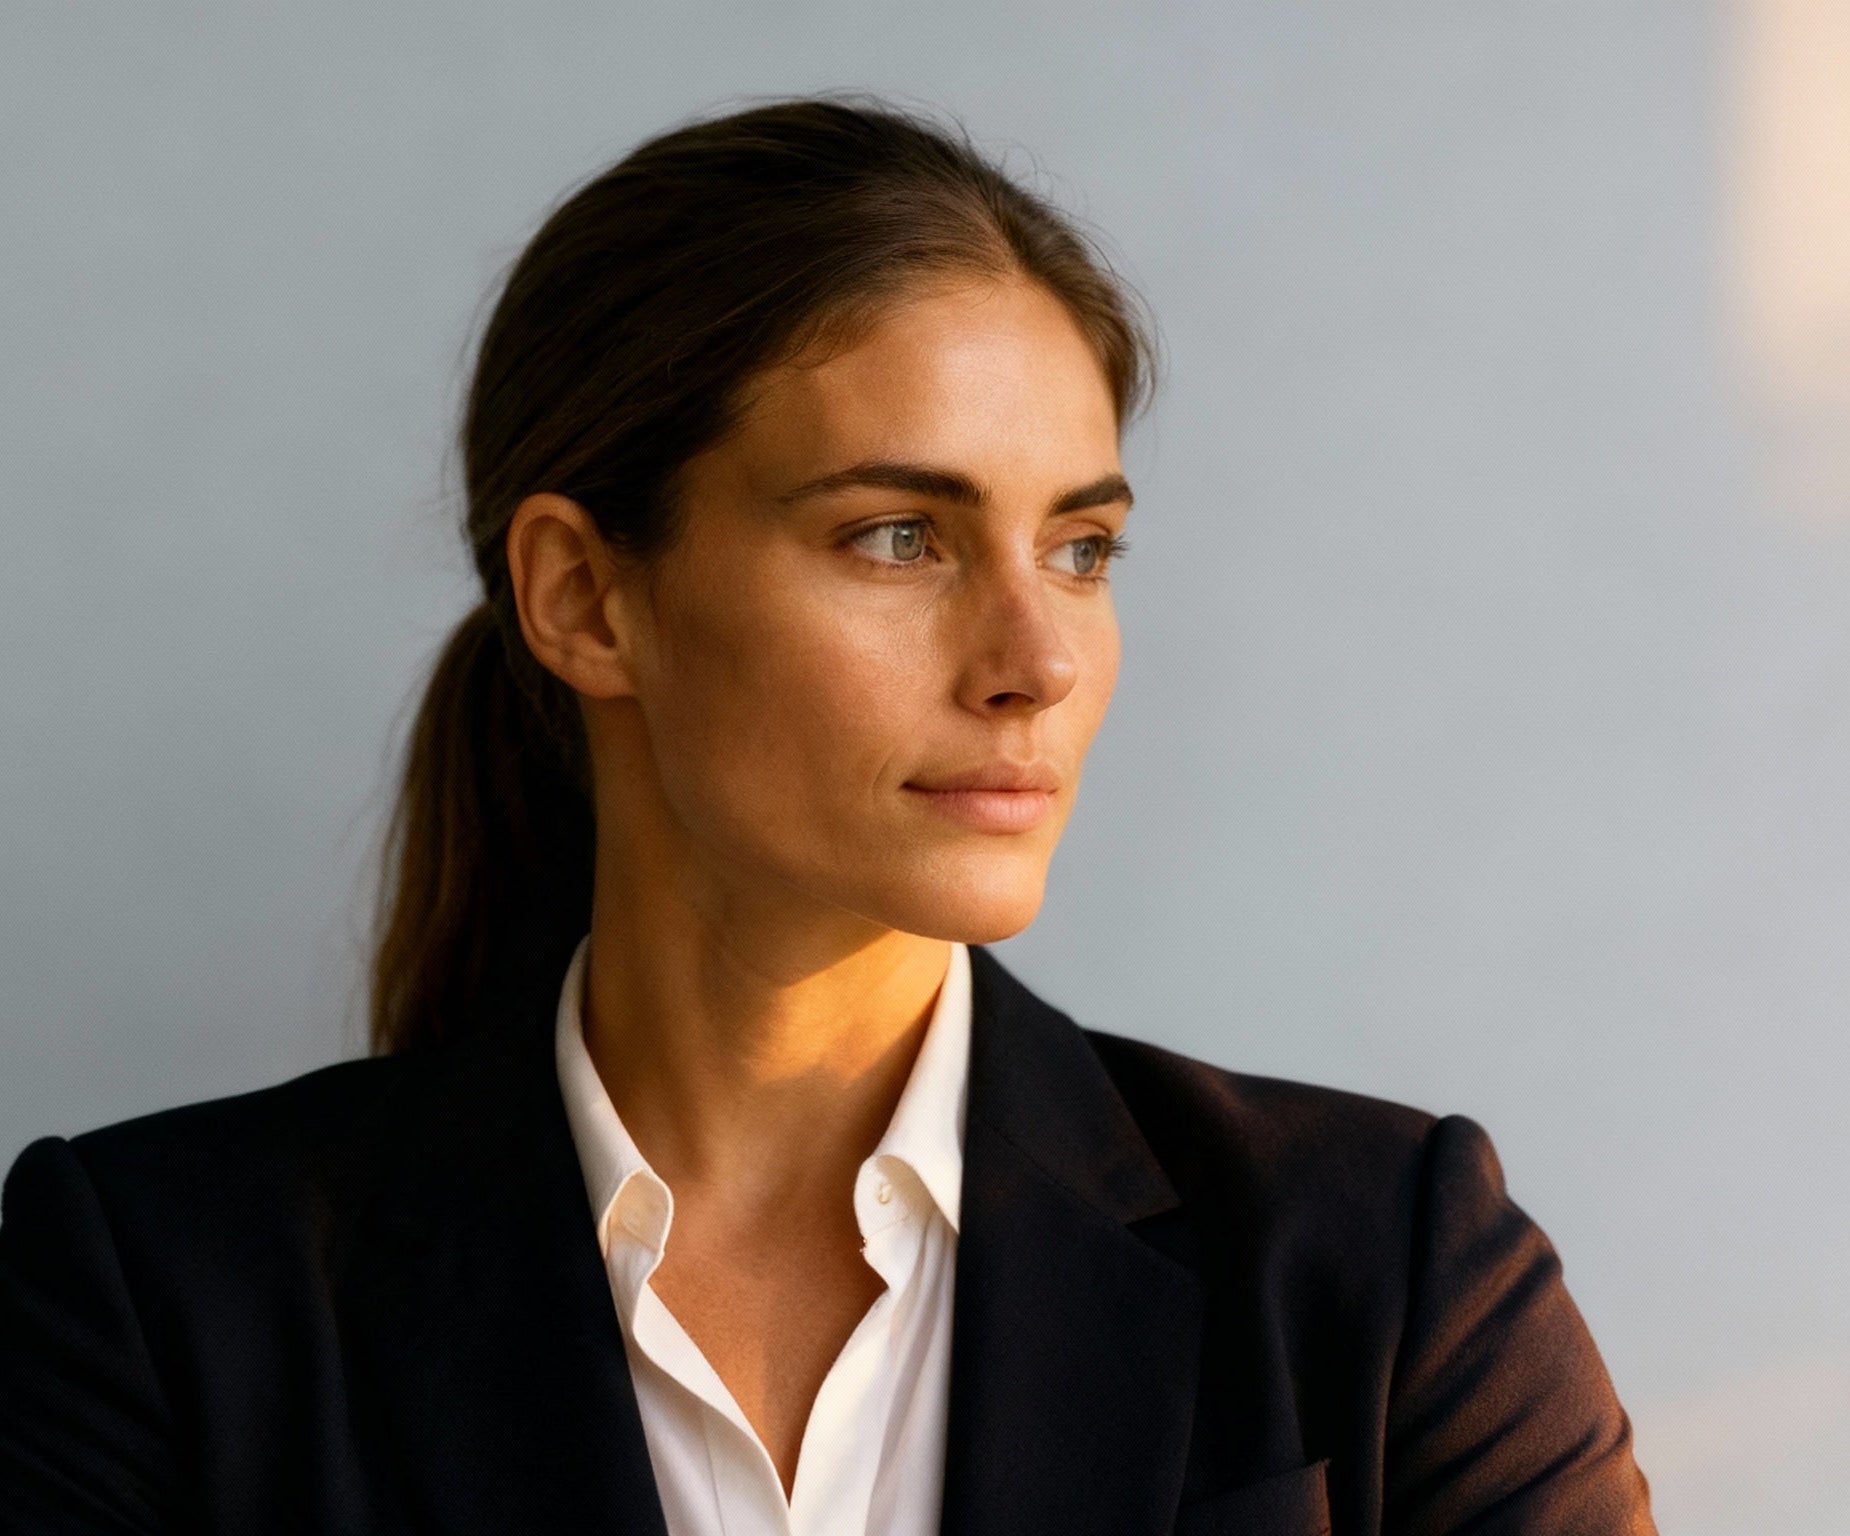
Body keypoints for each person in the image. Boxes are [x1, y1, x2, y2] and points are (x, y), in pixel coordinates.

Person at [0, 97, 1655, 1535]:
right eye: (897, 539)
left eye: (1079, 549)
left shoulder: (1380, 1264)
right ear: (585, 598)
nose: (1035, 661)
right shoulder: (157, 1290)